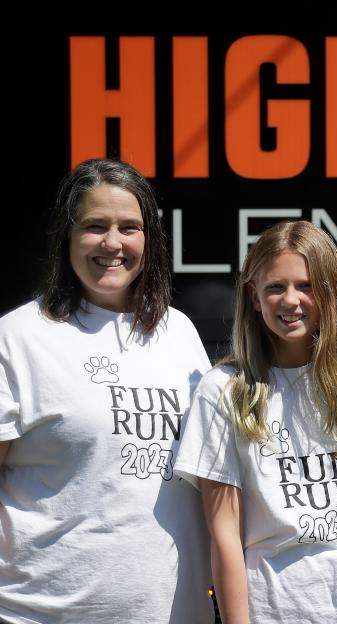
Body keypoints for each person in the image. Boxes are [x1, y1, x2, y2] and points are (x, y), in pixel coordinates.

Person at [0, 159, 213, 623]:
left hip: (172, 611)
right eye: (94, 226)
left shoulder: (180, 333)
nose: (112, 243)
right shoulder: (17, 337)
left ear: (149, 239)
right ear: (67, 236)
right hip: (39, 613)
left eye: (128, 227)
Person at [173, 220, 337, 623]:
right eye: (275, 287)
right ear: (254, 297)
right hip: (272, 610)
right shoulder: (223, 391)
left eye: (306, 285)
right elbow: (224, 537)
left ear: (330, 293)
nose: (290, 300)